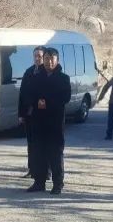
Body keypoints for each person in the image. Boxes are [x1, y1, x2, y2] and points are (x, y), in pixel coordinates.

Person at [27, 47, 72, 194]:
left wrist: (47, 102)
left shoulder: (63, 78)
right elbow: (28, 94)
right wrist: (36, 102)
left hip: (55, 122)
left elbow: (65, 97)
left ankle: (58, 184)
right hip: (38, 121)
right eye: (46, 58)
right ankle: (39, 182)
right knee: (38, 152)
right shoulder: (36, 77)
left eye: (52, 58)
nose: (49, 61)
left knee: (55, 153)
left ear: (57, 60)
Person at [17, 46, 45, 178]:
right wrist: (21, 114)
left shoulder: (47, 73)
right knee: (31, 144)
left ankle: (45, 171)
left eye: (40, 56)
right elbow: (22, 94)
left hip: (42, 115)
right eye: (35, 56)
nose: (37, 58)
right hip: (29, 114)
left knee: (43, 144)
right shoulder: (29, 72)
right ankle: (32, 169)